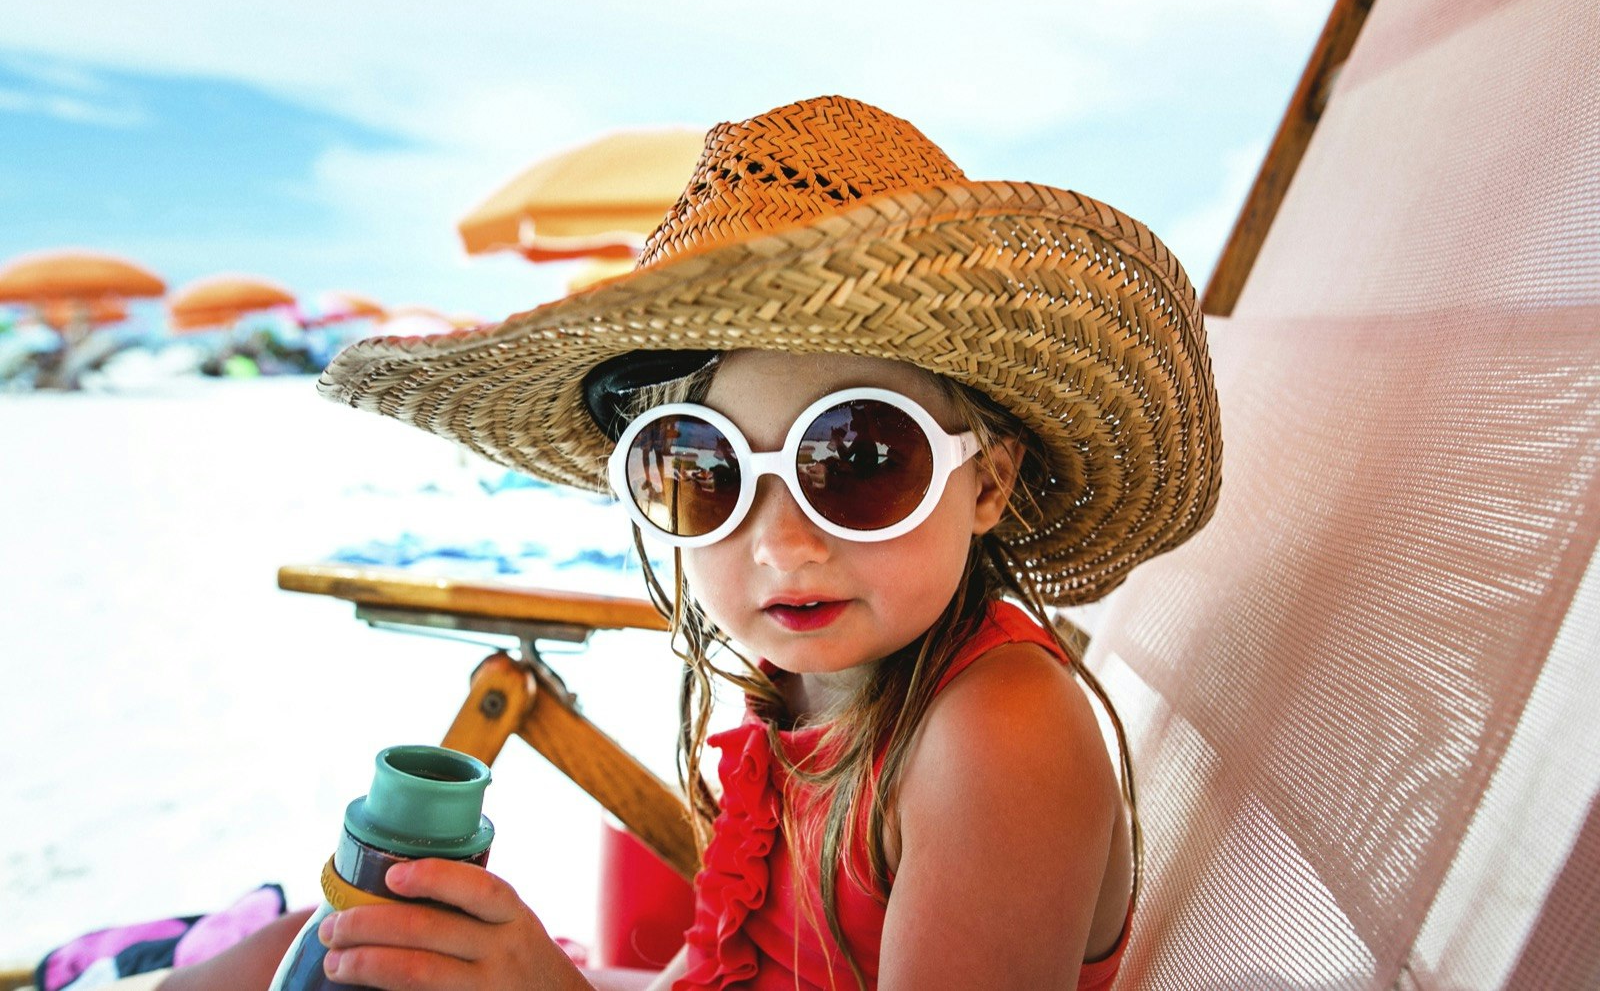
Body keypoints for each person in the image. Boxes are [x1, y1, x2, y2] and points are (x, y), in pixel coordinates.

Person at [161, 94, 1222, 990]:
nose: (783, 545)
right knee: (297, 948)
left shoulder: (998, 734)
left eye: (857, 457)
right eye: (705, 470)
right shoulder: (809, 687)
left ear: (985, 479)